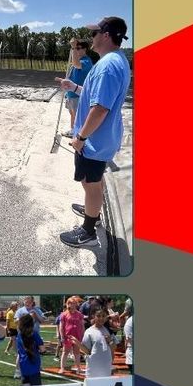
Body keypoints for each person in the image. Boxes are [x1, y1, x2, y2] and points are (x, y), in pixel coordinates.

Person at [55, 17, 131, 247]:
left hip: (94, 141)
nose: (91, 39)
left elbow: (99, 109)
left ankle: (88, 231)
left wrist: (80, 137)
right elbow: (97, 95)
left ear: (106, 35)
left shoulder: (107, 66)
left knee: (90, 184)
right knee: (94, 182)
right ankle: (92, 211)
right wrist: (75, 87)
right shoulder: (117, 60)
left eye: (94, 34)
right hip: (102, 139)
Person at [61, 38, 94, 138]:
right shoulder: (78, 60)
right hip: (71, 94)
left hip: (78, 94)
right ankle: (73, 131)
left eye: (79, 48)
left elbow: (76, 64)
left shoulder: (86, 61)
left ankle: (78, 135)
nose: (76, 50)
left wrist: (73, 47)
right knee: (72, 114)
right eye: (76, 48)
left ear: (85, 49)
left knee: (78, 116)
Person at [70, 307, 116, 378]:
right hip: (93, 367)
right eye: (98, 316)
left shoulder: (108, 330)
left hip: (106, 365)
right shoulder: (89, 332)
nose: (101, 318)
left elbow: (113, 348)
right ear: (93, 316)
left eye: (103, 316)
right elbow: (87, 351)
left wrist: (110, 341)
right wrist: (78, 343)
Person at [15, 313, 45, 386]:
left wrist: (17, 370)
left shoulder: (19, 335)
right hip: (34, 364)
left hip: (23, 366)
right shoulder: (34, 334)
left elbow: (19, 353)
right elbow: (42, 349)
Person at [59, 296, 85, 373]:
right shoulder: (64, 314)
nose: (71, 305)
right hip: (67, 337)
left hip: (77, 336)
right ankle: (62, 368)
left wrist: (82, 336)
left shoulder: (79, 314)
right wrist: (62, 336)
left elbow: (82, 326)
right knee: (65, 352)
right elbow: (61, 326)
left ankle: (78, 368)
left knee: (77, 352)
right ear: (67, 304)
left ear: (76, 304)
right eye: (69, 303)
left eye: (73, 303)